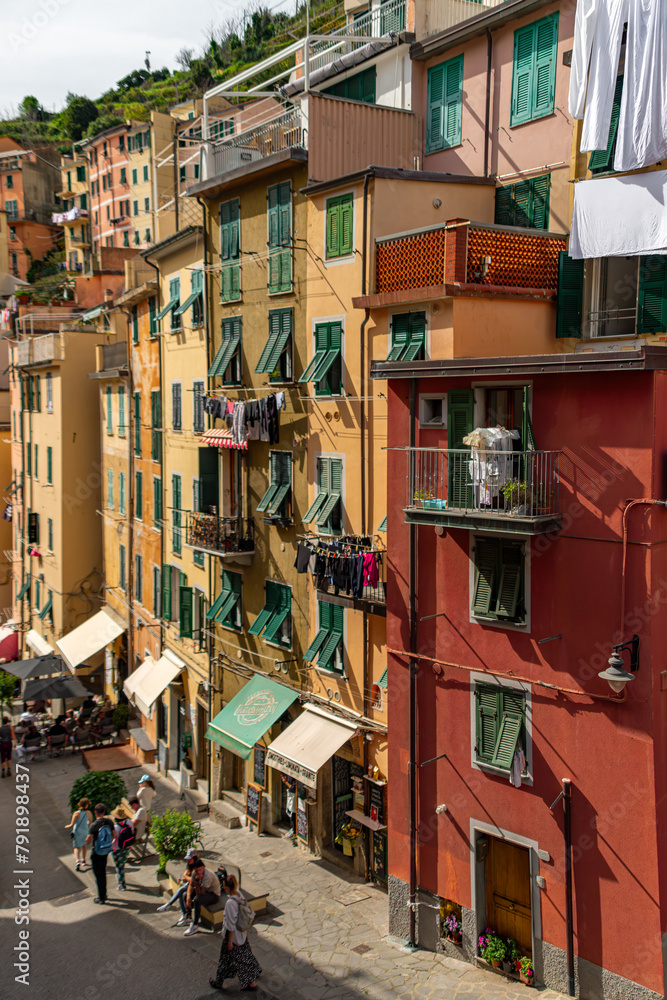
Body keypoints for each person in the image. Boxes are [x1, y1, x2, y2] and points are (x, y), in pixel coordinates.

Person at [209, 873, 261, 992]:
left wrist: (229, 942)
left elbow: (230, 925)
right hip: (242, 934)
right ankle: (252, 980)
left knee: (225, 960)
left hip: (233, 937)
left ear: (227, 887)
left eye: (224, 886)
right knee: (245, 957)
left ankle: (219, 983)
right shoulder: (240, 895)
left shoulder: (230, 903)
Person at [85, 803, 114, 904]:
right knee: (103, 872)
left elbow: (88, 841)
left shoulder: (94, 825)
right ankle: (104, 894)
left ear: (95, 813)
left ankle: (101, 898)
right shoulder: (109, 822)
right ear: (104, 812)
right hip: (105, 851)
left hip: (96, 852)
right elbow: (114, 835)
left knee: (98, 875)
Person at [183, 859, 220, 936]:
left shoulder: (208, 877)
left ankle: (195, 925)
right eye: (197, 870)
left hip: (213, 894)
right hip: (204, 891)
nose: (198, 872)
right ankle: (188, 917)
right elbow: (191, 885)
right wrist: (188, 898)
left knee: (197, 900)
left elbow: (199, 893)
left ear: (203, 867)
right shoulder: (195, 872)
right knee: (185, 895)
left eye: (200, 870)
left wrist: (198, 880)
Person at [156, 848, 198, 916]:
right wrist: (182, 879)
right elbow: (189, 877)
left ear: (194, 858)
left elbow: (193, 879)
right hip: (190, 884)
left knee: (181, 891)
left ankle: (169, 905)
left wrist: (184, 875)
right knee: (182, 893)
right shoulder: (190, 865)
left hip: (196, 886)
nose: (188, 860)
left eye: (189, 859)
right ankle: (184, 914)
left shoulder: (198, 866)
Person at [110, 806, 135, 891]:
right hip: (127, 847)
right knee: (122, 863)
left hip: (117, 849)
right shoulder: (129, 822)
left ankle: (122, 884)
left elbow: (113, 838)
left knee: (119, 866)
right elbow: (132, 832)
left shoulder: (115, 827)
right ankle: (119, 877)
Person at [65, 798, 93, 870]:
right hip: (85, 831)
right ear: (87, 805)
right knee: (84, 846)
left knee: (77, 847)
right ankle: (84, 860)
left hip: (77, 831)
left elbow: (72, 825)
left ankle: (78, 861)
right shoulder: (88, 813)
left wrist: (67, 826)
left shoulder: (76, 813)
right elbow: (90, 823)